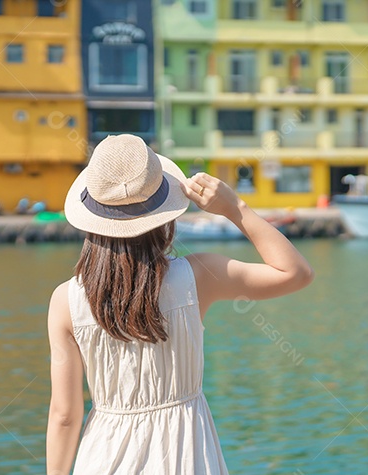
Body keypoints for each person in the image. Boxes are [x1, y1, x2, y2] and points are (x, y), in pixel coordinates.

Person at [46, 135, 315, 474]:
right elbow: (297, 273)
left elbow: (65, 415)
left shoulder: (65, 301)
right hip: (183, 455)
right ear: (164, 214)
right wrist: (236, 209)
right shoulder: (198, 277)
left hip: (103, 457)